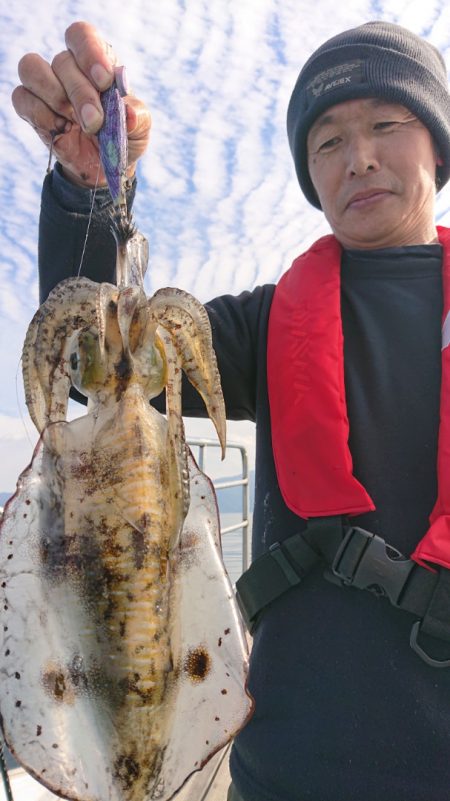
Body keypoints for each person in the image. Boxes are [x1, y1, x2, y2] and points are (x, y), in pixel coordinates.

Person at [12, 18, 450, 801]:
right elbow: (101, 368)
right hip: (281, 769)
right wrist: (91, 193)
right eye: (328, 141)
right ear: (310, 175)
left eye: (387, 125)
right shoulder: (267, 323)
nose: (359, 156)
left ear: (439, 148)